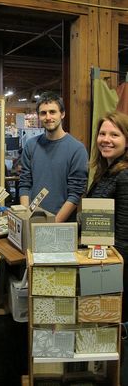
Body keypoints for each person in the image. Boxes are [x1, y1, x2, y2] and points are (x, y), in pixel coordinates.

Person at [19, 91, 88, 222]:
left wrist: (53, 225)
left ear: (62, 114)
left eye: (52, 112)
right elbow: (25, 184)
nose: (48, 117)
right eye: (43, 113)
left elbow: (75, 194)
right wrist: (25, 218)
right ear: (39, 116)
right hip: (32, 220)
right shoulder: (30, 145)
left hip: (61, 225)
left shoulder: (77, 149)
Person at [86, 111, 128, 321]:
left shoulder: (125, 175)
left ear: (126, 140)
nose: (106, 140)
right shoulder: (106, 171)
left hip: (116, 267)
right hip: (103, 261)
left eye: (114, 135)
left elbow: (124, 232)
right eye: (102, 134)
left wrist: (108, 272)